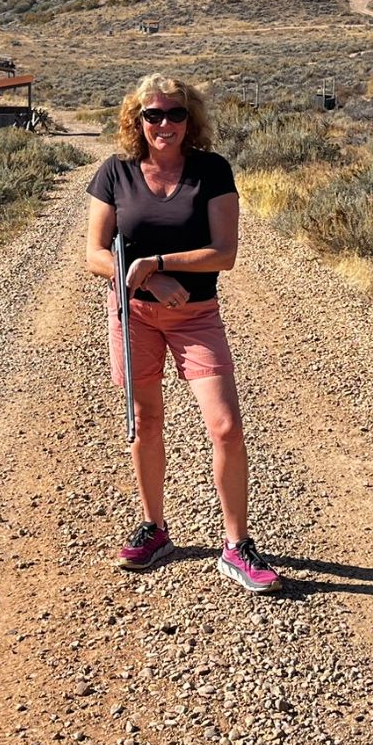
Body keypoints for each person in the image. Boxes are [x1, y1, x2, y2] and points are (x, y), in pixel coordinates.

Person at [85, 73, 279, 593]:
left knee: (226, 427)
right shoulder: (116, 172)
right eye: (153, 115)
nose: (163, 123)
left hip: (196, 316)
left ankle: (236, 546)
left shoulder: (211, 170)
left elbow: (225, 253)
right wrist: (144, 277)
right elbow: (94, 253)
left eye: (174, 113)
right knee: (146, 422)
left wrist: (158, 262)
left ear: (190, 120)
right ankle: (154, 529)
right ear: (137, 120)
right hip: (134, 317)